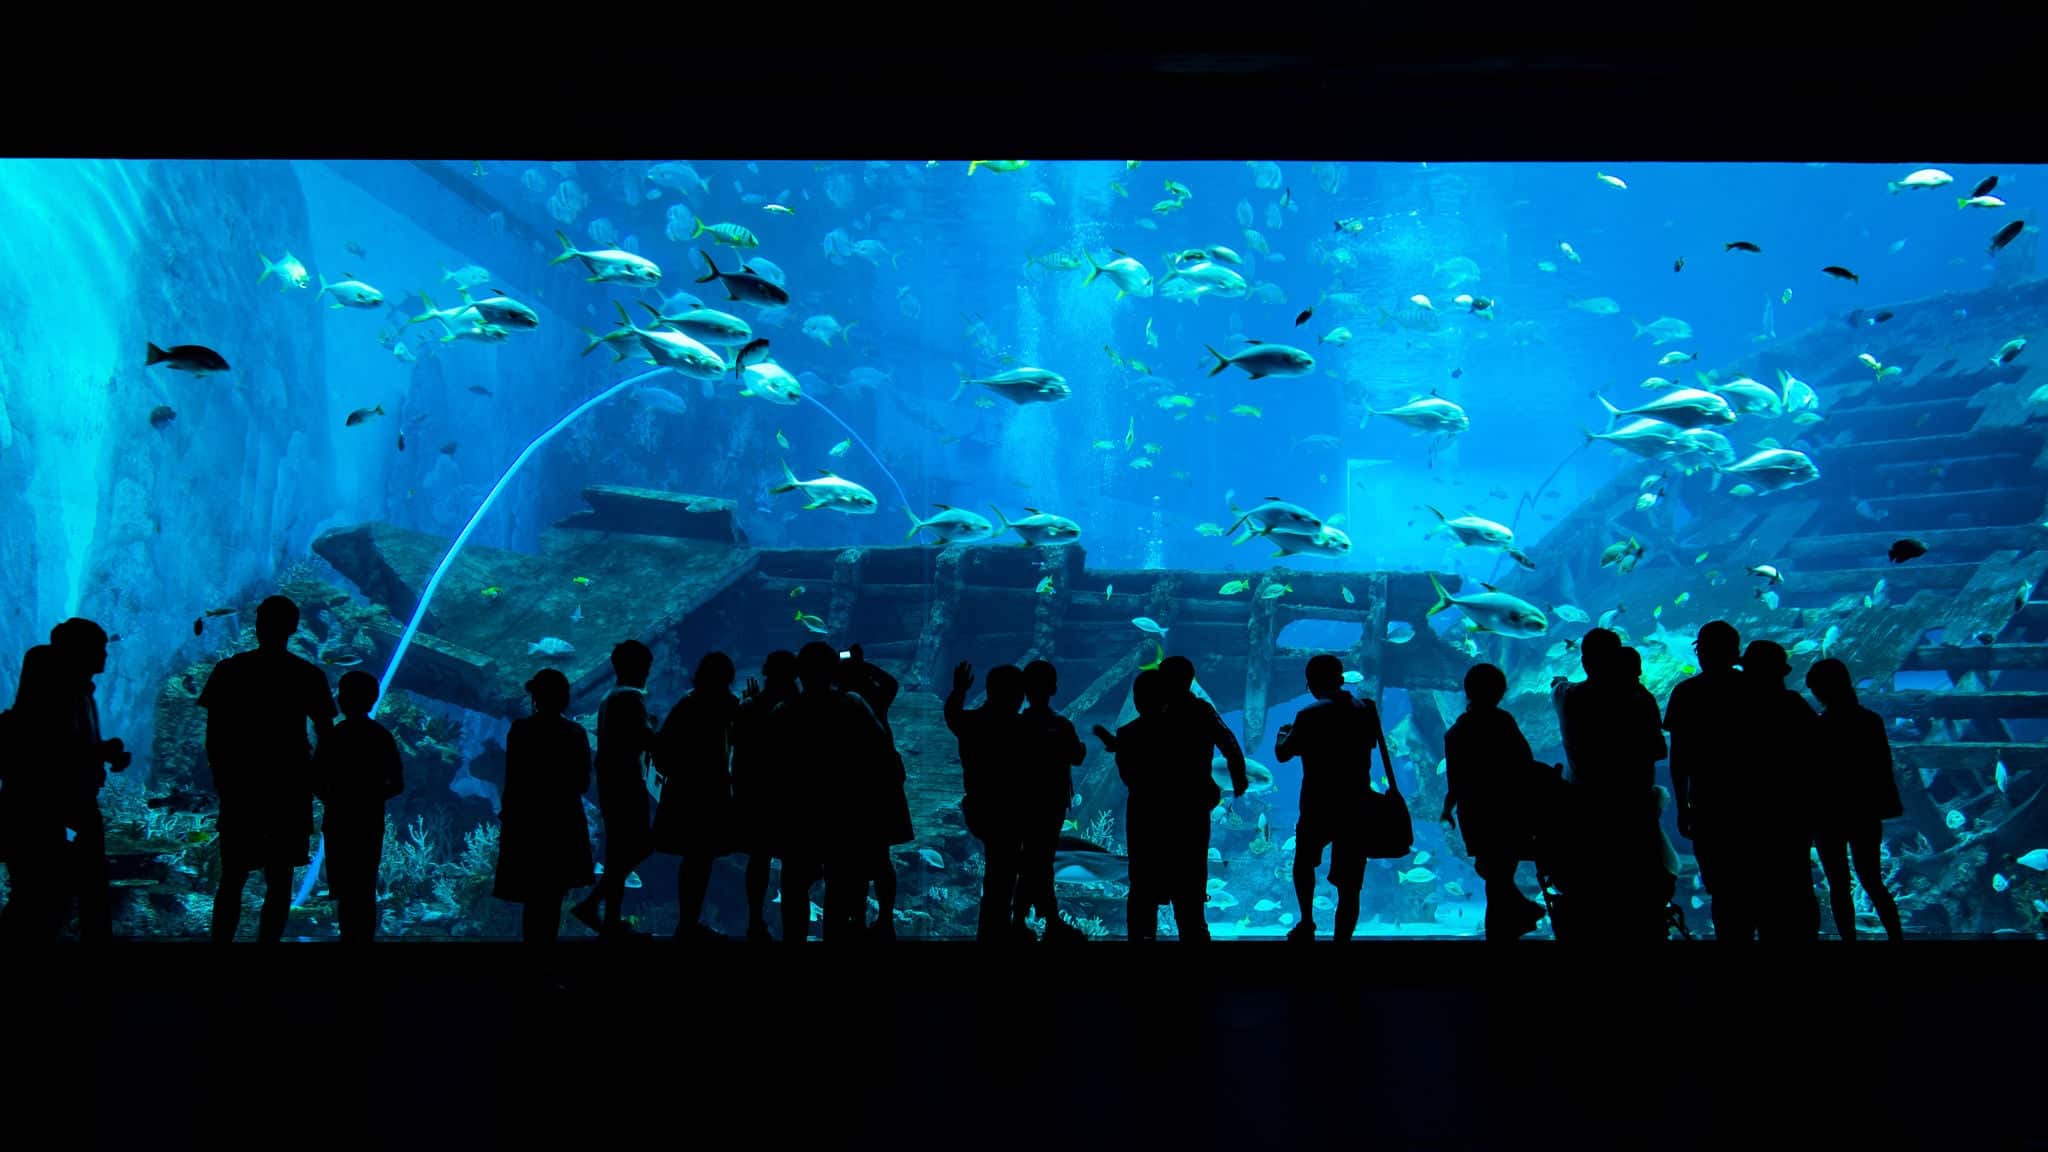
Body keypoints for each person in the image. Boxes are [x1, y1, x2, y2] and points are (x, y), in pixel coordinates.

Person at [197, 596, 336, 943]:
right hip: (289, 786)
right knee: (280, 877)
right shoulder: (308, 674)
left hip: (241, 785)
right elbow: (326, 733)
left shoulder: (229, 670)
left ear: (257, 625)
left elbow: (214, 734)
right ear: (293, 627)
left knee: (232, 877)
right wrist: (317, 777)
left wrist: (222, 776)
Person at [1551, 628, 1669, 941]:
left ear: (1585, 661)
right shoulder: (1638, 699)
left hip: (1585, 812)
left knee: (1591, 896)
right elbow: (1659, 750)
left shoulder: (1570, 697)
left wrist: (1561, 679)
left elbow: (1559, 687)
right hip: (1633, 810)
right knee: (1639, 897)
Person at [779, 642, 895, 942]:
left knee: (794, 884)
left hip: (798, 810)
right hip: (844, 811)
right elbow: (879, 745)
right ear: (834, 671)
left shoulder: (785, 711)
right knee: (840, 885)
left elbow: (769, 759)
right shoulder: (852, 705)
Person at [1093, 669, 1214, 941]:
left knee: (1143, 891)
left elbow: (1128, 777)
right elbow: (1202, 775)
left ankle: (1141, 951)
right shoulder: (1191, 732)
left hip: (1145, 819)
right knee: (1189, 893)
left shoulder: (1128, 734)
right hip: (1187, 821)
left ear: (1136, 701)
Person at [1276, 654, 1388, 943]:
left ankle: (1307, 923)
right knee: (1350, 883)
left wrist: (1282, 733)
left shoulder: (1310, 714)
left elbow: (1284, 753)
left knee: (1303, 864)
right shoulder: (1365, 709)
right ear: (1340, 678)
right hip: (1355, 805)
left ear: (1311, 683)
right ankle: (1342, 943)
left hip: (1318, 804)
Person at [1441, 663, 1547, 941]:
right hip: (1507, 809)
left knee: (1493, 871)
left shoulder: (1456, 732)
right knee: (1500, 871)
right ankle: (1513, 923)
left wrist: (1448, 807)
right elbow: (1524, 763)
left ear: (1467, 691)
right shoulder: (1502, 722)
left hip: (1474, 812)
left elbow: (1455, 777)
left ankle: (1510, 925)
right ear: (1500, 691)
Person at [1665, 621, 1757, 941]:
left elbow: (1679, 761)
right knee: (1754, 883)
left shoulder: (1687, 693)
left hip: (1710, 804)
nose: (1702, 654)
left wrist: (1682, 806)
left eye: (1703, 648)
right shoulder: (1756, 689)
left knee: (1721, 887)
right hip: (1755, 803)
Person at [1805, 658, 1904, 942]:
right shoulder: (1870, 720)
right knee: (1873, 881)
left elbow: (1812, 774)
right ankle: (1897, 939)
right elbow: (1882, 766)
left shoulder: (1818, 727)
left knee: (1839, 884)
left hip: (1828, 815)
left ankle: (1850, 942)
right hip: (1865, 811)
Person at [47, 619, 133, 943]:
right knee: (53, 892)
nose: (105, 656)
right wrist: (104, 751)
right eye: (98, 649)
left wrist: (105, 753)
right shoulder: (61, 694)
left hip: (79, 801)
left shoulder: (81, 691)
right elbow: (58, 750)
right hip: (61, 803)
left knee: (78, 888)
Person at [494, 669, 594, 946]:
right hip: (562, 823)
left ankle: (532, 963)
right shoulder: (574, 732)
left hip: (526, 821)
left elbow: (514, 778)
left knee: (532, 897)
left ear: (534, 697)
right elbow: (582, 783)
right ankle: (545, 964)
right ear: (565, 698)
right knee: (552, 896)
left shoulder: (521, 730)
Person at [311, 671, 404, 943]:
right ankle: (363, 944)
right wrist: (371, 796)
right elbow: (397, 783)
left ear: (340, 699)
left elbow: (315, 779)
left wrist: (335, 798)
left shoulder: (333, 736)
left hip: (338, 818)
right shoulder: (381, 736)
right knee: (364, 886)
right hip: (369, 820)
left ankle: (348, 942)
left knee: (343, 888)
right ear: (373, 699)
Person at [651, 651, 738, 942]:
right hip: (711, 793)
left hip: (685, 793)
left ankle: (687, 923)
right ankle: (689, 924)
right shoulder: (729, 706)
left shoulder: (686, 705)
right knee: (701, 860)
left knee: (694, 859)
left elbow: (662, 752)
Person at [572, 640, 656, 937]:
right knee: (641, 844)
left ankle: (609, 919)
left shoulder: (611, 697)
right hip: (625, 782)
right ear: (636, 668)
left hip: (611, 781)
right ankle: (594, 905)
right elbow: (646, 740)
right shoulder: (628, 700)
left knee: (620, 852)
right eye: (645, 667)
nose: (647, 673)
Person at [1744, 640, 1821, 941]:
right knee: (1796, 880)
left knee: (1756, 882)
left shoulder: (1736, 710)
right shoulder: (1794, 705)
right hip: (1792, 810)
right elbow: (1816, 757)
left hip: (1750, 811)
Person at [945, 661, 1027, 942]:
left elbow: (952, 715)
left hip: (980, 809)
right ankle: (998, 931)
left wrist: (958, 690)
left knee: (999, 872)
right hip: (1011, 812)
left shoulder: (972, 723)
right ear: (1018, 695)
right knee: (1003, 876)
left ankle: (994, 929)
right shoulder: (1020, 728)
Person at [839, 645, 912, 939]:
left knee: (851, 860)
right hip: (880, 787)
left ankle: (856, 918)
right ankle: (884, 919)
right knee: (881, 858)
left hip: (849, 790)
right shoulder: (875, 697)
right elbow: (892, 683)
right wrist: (863, 665)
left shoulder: (839, 700)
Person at [1012, 660, 1087, 943]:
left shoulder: (1019, 724)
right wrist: (1080, 747)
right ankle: (1043, 920)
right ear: (1054, 687)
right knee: (1039, 862)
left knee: (1032, 861)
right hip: (1052, 803)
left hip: (1024, 803)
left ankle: (1023, 918)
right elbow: (1077, 757)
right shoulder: (1061, 724)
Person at [0, 646, 70, 941]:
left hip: (21, 821)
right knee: (36, 900)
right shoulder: (44, 726)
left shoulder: (10, 723)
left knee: (27, 897)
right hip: (36, 822)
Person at [732, 651, 799, 942]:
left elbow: (739, 752)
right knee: (794, 862)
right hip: (790, 796)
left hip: (756, 795)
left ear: (765, 671)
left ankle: (755, 920)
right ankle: (792, 931)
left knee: (759, 859)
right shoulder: (799, 707)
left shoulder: (750, 706)